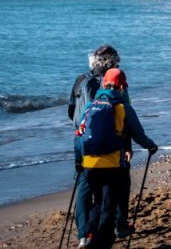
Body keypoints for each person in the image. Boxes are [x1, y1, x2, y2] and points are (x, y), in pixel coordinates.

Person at [77, 68, 158, 244]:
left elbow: (79, 134)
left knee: (99, 202)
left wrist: (79, 161)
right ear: (122, 86)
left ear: (104, 84)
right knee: (109, 207)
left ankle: (88, 234)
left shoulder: (90, 105)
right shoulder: (122, 107)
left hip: (89, 165)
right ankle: (102, 242)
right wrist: (151, 146)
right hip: (111, 166)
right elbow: (139, 134)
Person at [66, 44, 119, 246]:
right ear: (110, 63)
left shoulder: (80, 79)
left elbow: (71, 110)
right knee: (106, 186)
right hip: (102, 139)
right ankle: (99, 230)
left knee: (83, 183)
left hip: (79, 137)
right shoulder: (108, 82)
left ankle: (83, 233)